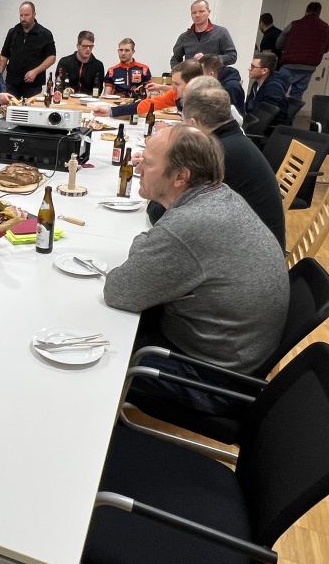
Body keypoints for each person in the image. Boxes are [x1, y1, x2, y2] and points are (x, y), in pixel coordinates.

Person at [103, 126, 289, 411]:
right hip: (234, 357)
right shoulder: (219, 196)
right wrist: (150, 245)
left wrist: (148, 245)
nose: (137, 168)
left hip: (211, 381)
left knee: (97, 355)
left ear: (180, 177)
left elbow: (118, 291)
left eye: (148, 163)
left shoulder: (191, 224)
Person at [181, 84, 285, 248]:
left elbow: (172, 210)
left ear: (194, 124)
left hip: (252, 252)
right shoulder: (233, 140)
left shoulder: (219, 153)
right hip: (262, 242)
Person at [92, 60, 203, 119]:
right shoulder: (175, 94)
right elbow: (148, 104)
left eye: (177, 84)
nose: (173, 88)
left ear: (193, 83)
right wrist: (111, 111)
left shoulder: (204, 103)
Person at [276, 1, 329, 100]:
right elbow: (326, 48)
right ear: (319, 12)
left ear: (306, 11)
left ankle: (275, 109)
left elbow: (279, 44)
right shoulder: (325, 28)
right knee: (296, 96)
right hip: (308, 68)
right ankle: (291, 110)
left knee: (277, 92)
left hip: (289, 65)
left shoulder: (294, 24)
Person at [0, 0, 56, 98]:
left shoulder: (44, 34)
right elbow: (4, 55)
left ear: (34, 15)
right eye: (21, 15)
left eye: (26, 15)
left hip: (33, 84)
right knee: (9, 106)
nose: (23, 18)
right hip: (12, 83)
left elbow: (52, 57)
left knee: (30, 107)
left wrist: (35, 71)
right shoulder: (13, 32)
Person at [170, 0, 237, 68]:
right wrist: (178, 72)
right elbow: (175, 59)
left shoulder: (221, 32)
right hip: (191, 74)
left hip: (215, 74)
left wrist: (208, 59)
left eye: (201, 11)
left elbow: (232, 56)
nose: (197, 15)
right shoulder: (184, 37)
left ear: (209, 12)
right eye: (194, 12)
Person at [245, 51, 289, 129]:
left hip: (267, 129)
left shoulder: (273, 88)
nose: (249, 69)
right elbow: (250, 107)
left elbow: (268, 116)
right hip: (254, 122)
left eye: (253, 67)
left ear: (264, 71)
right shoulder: (256, 84)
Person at [54, 31, 105, 95]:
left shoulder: (98, 66)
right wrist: (67, 89)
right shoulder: (64, 62)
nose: (88, 49)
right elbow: (59, 83)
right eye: (84, 46)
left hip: (88, 100)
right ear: (78, 46)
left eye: (91, 46)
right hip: (68, 98)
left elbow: (98, 89)